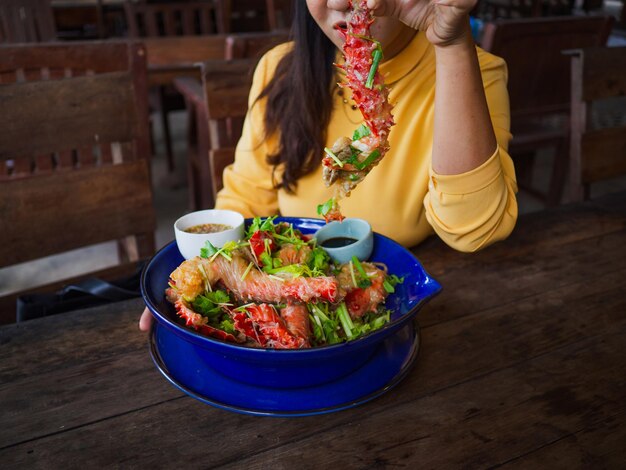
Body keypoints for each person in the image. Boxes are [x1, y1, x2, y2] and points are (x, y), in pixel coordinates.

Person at [139, 0, 517, 331]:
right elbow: (244, 200)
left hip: (401, 305)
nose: (339, 2)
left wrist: (451, 46)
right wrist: (196, 285)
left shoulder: (470, 71)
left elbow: (474, 230)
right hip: (291, 297)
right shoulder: (280, 68)